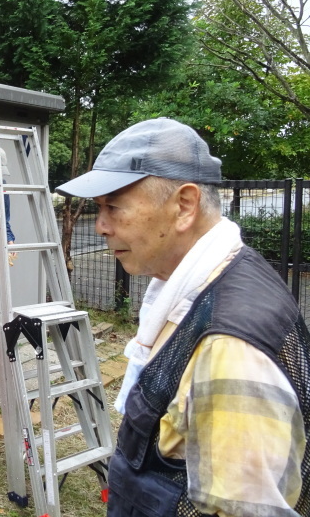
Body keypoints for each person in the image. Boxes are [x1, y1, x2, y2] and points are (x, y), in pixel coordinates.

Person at [55, 117, 310, 516]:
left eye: (113, 207)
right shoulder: (199, 282)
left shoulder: (230, 346)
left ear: (184, 205)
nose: (101, 226)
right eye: (99, 209)